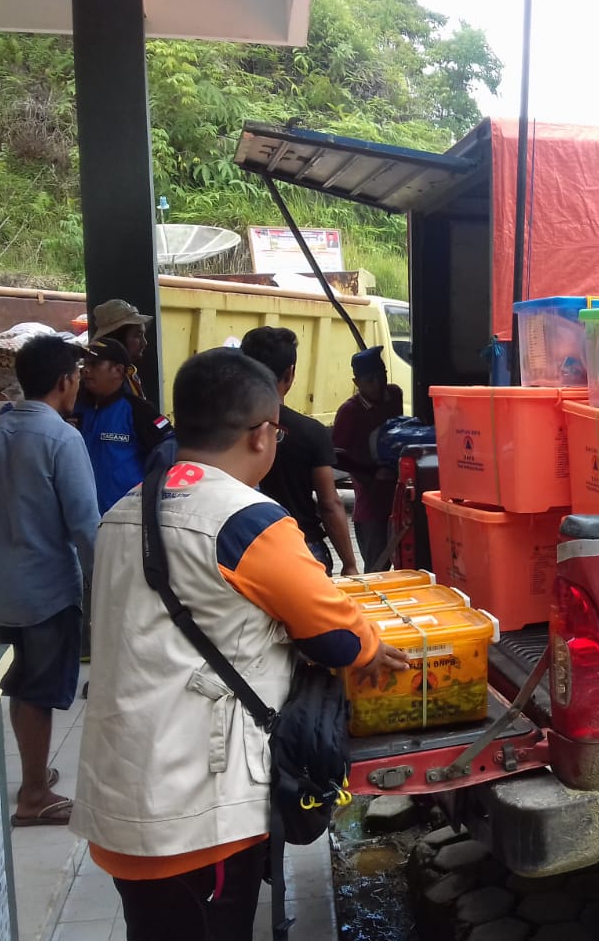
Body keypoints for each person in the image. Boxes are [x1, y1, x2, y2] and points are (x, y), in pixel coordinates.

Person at [71, 347, 408, 941]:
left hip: (127, 790)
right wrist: (373, 649)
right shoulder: (245, 519)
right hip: (197, 810)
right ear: (262, 434)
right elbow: (338, 634)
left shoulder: (127, 509)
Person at [0, 334, 100, 826]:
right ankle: (33, 795)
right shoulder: (61, 438)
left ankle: (34, 773)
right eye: (77, 376)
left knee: (21, 687)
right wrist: (110, 586)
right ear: (64, 381)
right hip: (45, 590)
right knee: (39, 691)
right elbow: (84, 525)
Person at [240, 327, 360, 576]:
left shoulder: (222, 430)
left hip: (242, 548)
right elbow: (329, 503)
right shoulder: (309, 432)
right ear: (290, 373)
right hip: (302, 548)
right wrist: (349, 563)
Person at [74, 337, 174, 514]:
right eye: (85, 364)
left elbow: (169, 452)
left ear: (118, 371)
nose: (86, 370)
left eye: (95, 364)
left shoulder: (139, 411)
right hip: (83, 518)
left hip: (126, 519)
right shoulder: (75, 408)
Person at [332, 347, 404, 572]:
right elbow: (336, 457)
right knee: (376, 566)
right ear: (357, 382)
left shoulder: (395, 395)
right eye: (369, 380)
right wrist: (372, 473)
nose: (377, 384)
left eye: (381, 376)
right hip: (370, 497)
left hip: (397, 493)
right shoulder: (349, 411)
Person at [90, 298, 152, 399]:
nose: (144, 343)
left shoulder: (130, 373)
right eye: (137, 335)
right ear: (117, 339)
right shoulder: (104, 383)